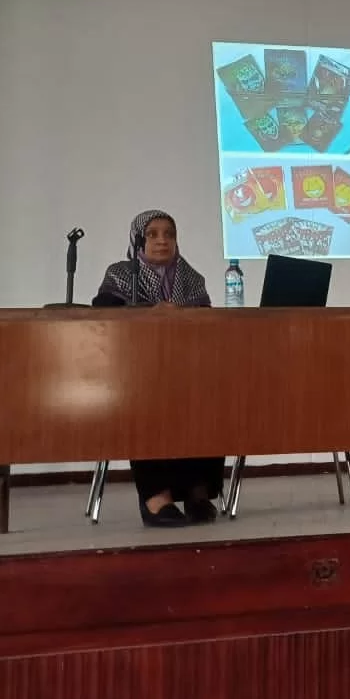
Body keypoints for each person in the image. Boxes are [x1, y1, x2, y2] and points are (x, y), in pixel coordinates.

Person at [92, 210, 226, 527]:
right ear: (138, 240)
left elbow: (207, 322)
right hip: (134, 372)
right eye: (152, 234)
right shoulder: (121, 275)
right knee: (146, 404)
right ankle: (155, 497)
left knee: (211, 399)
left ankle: (197, 492)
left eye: (169, 234)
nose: (162, 241)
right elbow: (104, 317)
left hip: (185, 368)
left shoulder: (192, 279)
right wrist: (151, 313)